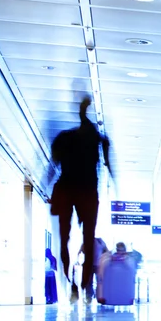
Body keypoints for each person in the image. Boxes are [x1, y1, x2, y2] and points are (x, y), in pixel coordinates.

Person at [49, 95, 113, 304]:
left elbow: (54, 164)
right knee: (86, 236)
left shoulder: (65, 139)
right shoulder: (95, 139)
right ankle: (81, 286)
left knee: (65, 239)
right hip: (85, 191)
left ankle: (76, 286)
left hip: (68, 190)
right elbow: (107, 161)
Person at [79, 236, 108, 301]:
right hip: (95, 265)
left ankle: (90, 297)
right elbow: (106, 252)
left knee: (91, 282)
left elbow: (81, 251)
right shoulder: (100, 242)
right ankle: (95, 296)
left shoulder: (98, 241)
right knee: (98, 282)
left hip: (92, 265)